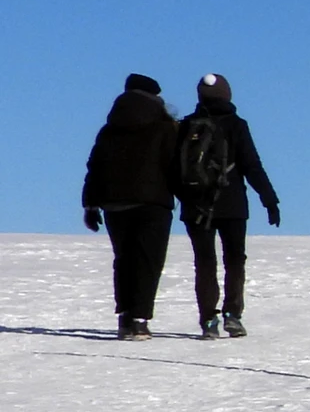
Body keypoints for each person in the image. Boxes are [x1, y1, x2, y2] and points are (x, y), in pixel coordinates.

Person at [175, 73, 279, 340]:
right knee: (234, 260)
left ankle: (209, 320)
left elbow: (173, 170)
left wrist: (184, 198)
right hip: (232, 204)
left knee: (205, 262)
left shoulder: (186, 126)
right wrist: (269, 199)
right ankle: (233, 315)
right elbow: (251, 165)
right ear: (227, 95)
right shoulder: (236, 125)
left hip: (196, 207)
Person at [82, 74, 180, 341]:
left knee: (123, 259)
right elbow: (174, 167)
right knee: (148, 260)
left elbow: (95, 167)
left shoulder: (109, 129)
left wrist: (90, 205)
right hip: (153, 203)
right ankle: (140, 320)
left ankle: (125, 317)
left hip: (114, 203)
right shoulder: (165, 128)